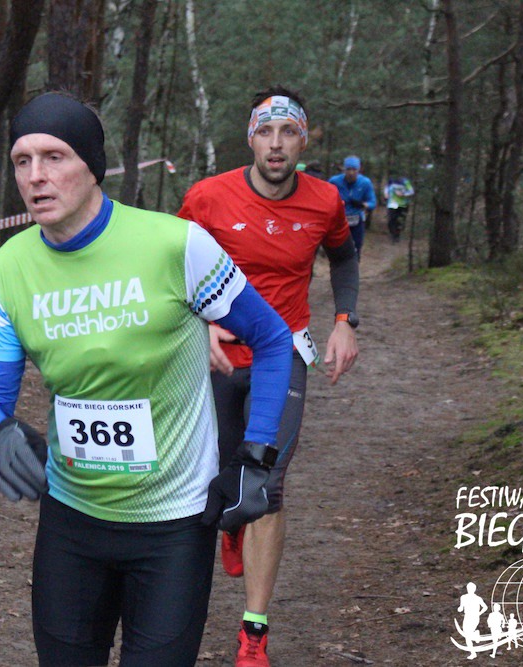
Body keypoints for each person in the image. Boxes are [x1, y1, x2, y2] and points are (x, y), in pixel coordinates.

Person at [0, 92, 294, 667]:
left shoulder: (175, 245)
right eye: (22, 161)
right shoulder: (4, 272)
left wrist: (256, 455)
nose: (36, 176)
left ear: (93, 166)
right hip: (71, 521)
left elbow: (271, 338)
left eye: (54, 157)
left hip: (173, 524)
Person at [178, 86, 360, 667]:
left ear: (304, 140)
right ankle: (235, 517)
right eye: (265, 131)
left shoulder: (325, 200)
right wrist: (198, 326)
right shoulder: (207, 197)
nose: (276, 144)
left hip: (285, 357)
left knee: (267, 486)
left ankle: (253, 631)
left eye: (288, 132)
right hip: (217, 358)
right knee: (215, 476)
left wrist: (345, 321)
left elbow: (344, 256)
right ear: (250, 138)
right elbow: (170, 266)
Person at [329, 155, 376, 259]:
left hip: (356, 220)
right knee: (338, 247)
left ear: (359, 170)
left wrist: (363, 204)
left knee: (356, 247)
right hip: (339, 220)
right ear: (344, 169)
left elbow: (372, 202)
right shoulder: (334, 181)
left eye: (354, 170)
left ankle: (355, 262)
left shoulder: (365, 182)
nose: (351, 173)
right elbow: (325, 197)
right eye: (348, 169)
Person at [384, 175, 414, 242]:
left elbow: (411, 191)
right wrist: (386, 194)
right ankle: (392, 233)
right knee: (391, 219)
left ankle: (396, 236)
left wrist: (403, 194)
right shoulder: (391, 179)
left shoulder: (405, 181)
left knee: (399, 220)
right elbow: (387, 187)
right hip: (392, 203)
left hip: (402, 204)